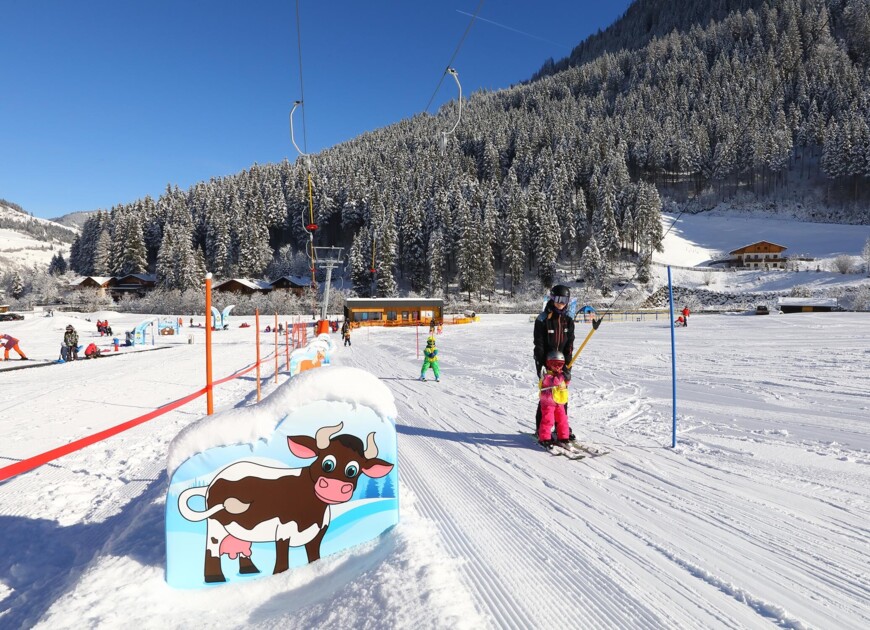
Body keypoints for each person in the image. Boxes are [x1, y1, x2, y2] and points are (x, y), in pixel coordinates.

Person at [533, 284, 576, 439]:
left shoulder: (568, 321)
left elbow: (569, 346)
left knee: (561, 395)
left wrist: (568, 367)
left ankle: (561, 427)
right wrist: (540, 366)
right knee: (547, 396)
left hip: (561, 363)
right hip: (547, 362)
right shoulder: (543, 319)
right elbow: (538, 345)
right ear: (552, 298)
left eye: (564, 300)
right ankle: (541, 428)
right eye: (558, 299)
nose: (561, 303)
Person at [538, 351, 570, 448]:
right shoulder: (546, 376)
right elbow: (554, 382)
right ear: (548, 364)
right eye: (553, 364)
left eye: (559, 364)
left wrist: (567, 379)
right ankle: (544, 438)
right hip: (548, 403)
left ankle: (563, 437)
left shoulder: (561, 374)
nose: (557, 367)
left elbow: (563, 384)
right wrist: (563, 376)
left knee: (563, 420)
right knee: (548, 420)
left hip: (559, 402)